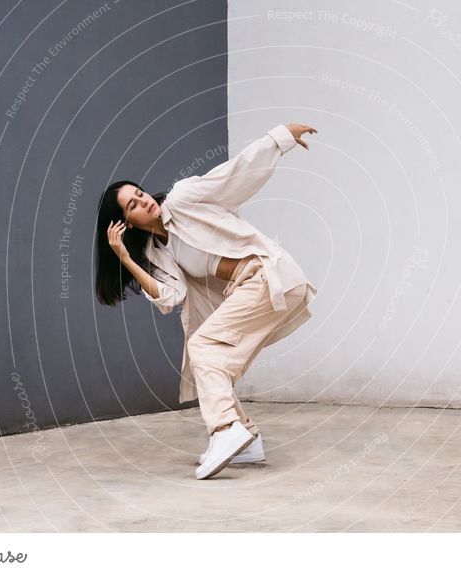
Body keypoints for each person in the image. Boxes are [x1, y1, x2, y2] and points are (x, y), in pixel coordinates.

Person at [94, 123, 318, 479]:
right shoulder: (156, 251)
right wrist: (126, 259)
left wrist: (279, 138)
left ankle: (225, 430)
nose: (144, 200)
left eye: (140, 192)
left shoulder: (183, 199)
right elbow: (170, 298)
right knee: (209, 361)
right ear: (126, 223)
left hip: (266, 276)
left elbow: (234, 176)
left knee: (204, 347)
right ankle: (247, 438)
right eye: (132, 205)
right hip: (252, 290)